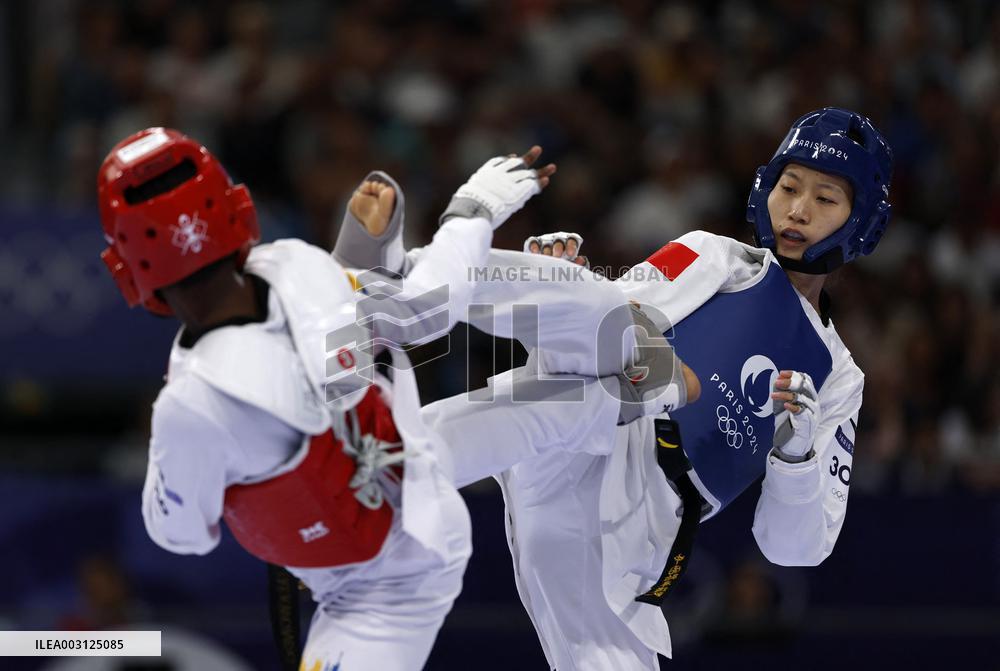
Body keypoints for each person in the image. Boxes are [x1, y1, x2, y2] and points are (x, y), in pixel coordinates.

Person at [98, 128, 692, 671]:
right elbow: (427, 306)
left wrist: (213, 462)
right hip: (417, 481)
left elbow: (181, 534)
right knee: (514, 401)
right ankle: (627, 384)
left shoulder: (194, 404)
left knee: (506, 411)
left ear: (127, 271)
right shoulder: (295, 268)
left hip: (374, 588)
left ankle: (624, 379)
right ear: (237, 208)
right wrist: (474, 208)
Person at [335, 107, 892, 670]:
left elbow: (793, 549)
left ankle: (383, 456)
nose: (797, 210)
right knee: (599, 324)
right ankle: (403, 281)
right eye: (789, 187)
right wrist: (566, 283)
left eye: (825, 199)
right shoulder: (719, 257)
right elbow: (626, 318)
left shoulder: (839, 378)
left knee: (581, 369)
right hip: (612, 413)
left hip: (630, 536)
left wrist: (795, 457)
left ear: (859, 221)